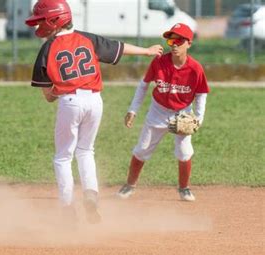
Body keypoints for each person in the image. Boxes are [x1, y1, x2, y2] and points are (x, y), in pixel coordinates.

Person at [25, 0, 163, 224]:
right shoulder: (86, 38)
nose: (38, 25)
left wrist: (54, 95)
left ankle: (67, 207)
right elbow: (117, 47)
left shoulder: (48, 47)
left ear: (54, 20)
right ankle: (90, 194)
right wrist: (147, 51)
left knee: (62, 156)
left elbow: (48, 93)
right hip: (95, 101)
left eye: (41, 20)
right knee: (86, 151)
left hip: (69, 101)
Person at [117, 23, 209, 202]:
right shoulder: (159, 62)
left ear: (189, 43)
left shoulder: (195, 68)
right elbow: (143, 85)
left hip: (182, 112)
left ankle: (184, 188)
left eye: (179, 40)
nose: (174, 44)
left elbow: (201, 94)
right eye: (170, 40)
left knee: (184, 152)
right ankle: (130, 185)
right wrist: (133, 110)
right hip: (158, 110)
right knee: (142, 150)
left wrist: (198, 118)